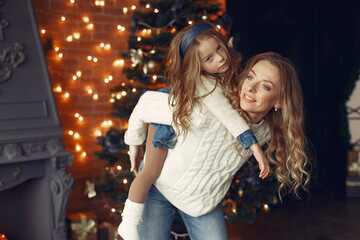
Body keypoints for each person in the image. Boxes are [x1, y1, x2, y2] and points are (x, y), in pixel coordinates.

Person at [120, 51, 311, 239]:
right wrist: (135, 144)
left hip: (203, 203)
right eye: (250, 77)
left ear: (279, 101)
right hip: (158, 187)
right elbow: (147, 104)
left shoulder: (268, 131)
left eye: (266, 87)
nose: (251, 88)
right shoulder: (211, 105)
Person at [118, 22, 270, 240]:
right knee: (150, 172)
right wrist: (253, 145)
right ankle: (128, 223)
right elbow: (146, 106)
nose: (219, 58)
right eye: (209, 58)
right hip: (165, 128)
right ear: (197, 66)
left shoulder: (222, 78)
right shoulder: (207, 85)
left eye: (219, 49)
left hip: (194, 184)